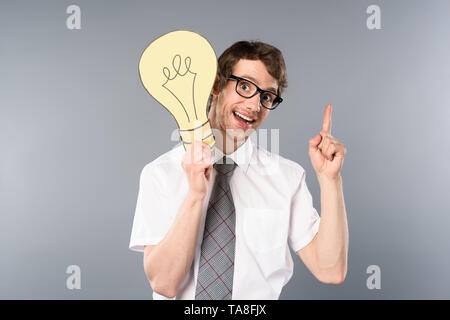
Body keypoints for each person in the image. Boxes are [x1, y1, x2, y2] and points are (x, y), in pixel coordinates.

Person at [129, 41, 348, 300]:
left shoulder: (288, 179)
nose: (255, 106)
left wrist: (330, 180)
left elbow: (330, 270)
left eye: (266, 96)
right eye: (245, 86)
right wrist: (196, 196)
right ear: (215, 85)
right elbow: (164, 283)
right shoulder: (160, 174)